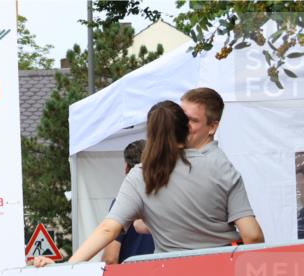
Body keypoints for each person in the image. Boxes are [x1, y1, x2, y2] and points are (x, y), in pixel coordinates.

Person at [32, 101, 264, 267]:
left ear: (150, 134)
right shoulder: (221, 168)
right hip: (223, 271)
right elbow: (252, 236)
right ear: (187, 129)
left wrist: (71, 265)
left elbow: (108, 229)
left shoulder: (141, 176)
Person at [101, 140, 155, 264]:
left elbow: (110, 258)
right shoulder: (168, 200)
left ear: (127, 168)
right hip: (164, 275)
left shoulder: (122, 203)